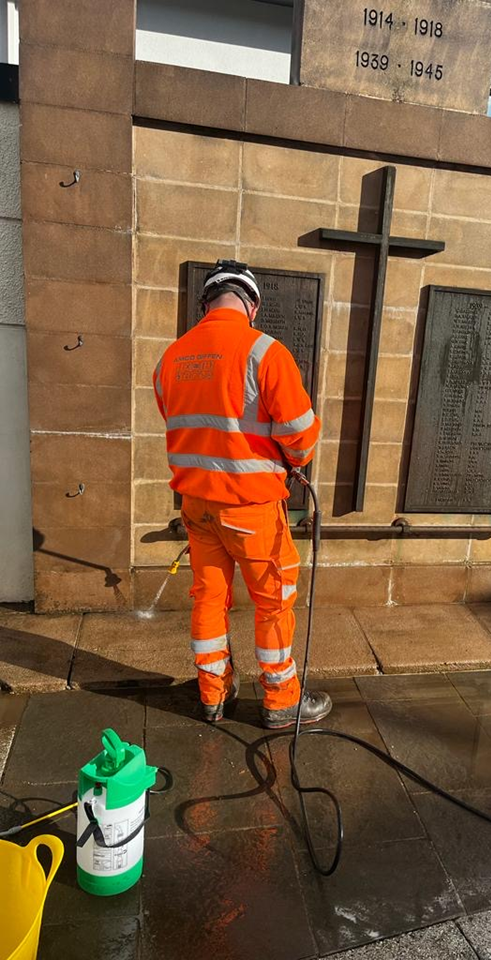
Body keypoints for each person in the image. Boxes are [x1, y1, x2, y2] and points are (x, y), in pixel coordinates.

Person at [153, 259, 332, 728]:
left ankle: (214, 695)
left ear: (205, 303)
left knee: (208, 598)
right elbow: (300, 438)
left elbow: (180, 424)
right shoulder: (265, 352)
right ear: (252, 304)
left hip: (196, 506)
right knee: (273, 601)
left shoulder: (170, 359)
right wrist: (293, 455)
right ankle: (281, 701)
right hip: (250, 508)